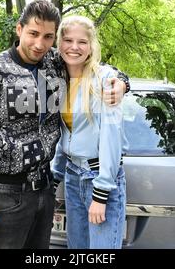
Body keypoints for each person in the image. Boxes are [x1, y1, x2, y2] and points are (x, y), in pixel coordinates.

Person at [0, 0, 130, 249]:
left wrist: (122, 83)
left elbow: (95, 67)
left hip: (46, 191)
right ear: (19, 29)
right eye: (33, 33)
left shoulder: (53, 64)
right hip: (6, 192)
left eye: (48, 37)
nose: (39, 44)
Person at [51, 15, 127, 249]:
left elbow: (111, 139)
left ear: (91, 45)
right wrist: (54, 177)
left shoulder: (105, 81)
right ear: (59, 43)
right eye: (68, 40)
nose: (74, 47)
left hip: (99, 179)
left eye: (82, 41)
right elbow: (61, 135)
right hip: (73, 178)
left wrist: (101, 194)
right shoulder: (56, 80)